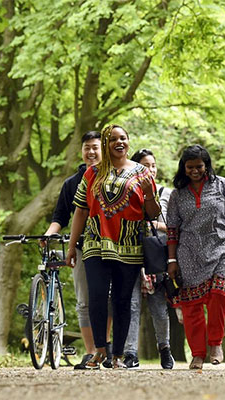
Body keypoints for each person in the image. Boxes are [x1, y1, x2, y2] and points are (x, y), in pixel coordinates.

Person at [66, 124, 160, 369]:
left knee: (121, 300)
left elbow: (153, 213)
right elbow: (80, 211)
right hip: (95, 244)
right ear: (106, 144)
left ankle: (117, 355)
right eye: (113, 139)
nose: (119, 143)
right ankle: (99, 351)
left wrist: (149, 194)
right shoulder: (92, 173)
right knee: (96, 297)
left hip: (128, 245)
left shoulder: (142, 173)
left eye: (123, 138)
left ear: (129, 142)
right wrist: (71, 246)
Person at [166, 145, 225, 370]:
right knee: (192, 306)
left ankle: (215, 342)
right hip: (189, 251)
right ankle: (198, 353)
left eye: (199, 166)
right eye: (190, 167)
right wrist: (172, 261)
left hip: (222, 246)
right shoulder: (177, 195)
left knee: (219, 293)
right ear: (184, 168)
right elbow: (172, 230)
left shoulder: (222, 185)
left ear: (206, 165)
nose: (195, 171)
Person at [42, 131, 106, 369]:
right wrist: (50, 234)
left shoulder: (114, 177)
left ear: (104, 149)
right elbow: (60, 216)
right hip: (80, 248)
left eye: (95, 147)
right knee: (84, 302)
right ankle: (91, 352)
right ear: (82, 150)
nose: (91, 152)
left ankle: (109, 349)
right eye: (87, 147)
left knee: (110, 299)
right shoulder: (71, 183)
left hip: (112, 247)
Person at [122, 149, 175, 369]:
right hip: (131, 254)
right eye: (145, 165)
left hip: (156, 256)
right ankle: (130, 353)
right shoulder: (125, 191)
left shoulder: (166, 193)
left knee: (159, 307)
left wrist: (156, 226)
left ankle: (165, 349)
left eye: (153, 165)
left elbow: (175, 226)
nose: (150, 169)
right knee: (131, 305)